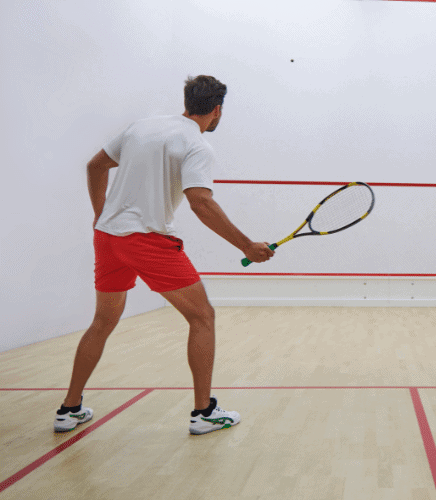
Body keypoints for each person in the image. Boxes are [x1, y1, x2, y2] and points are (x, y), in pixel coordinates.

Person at [54, 75, 274, 436]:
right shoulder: (196, 145)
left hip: (107, 238)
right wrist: (247, 246)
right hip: (146, 241)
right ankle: (203, 413)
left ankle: (69, 408)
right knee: (203, 317)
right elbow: (200, 202)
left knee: (102, 321)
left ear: (187, 101)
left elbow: (95, 167)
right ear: (217, 110)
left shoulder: (142, 127)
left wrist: (101, 214)